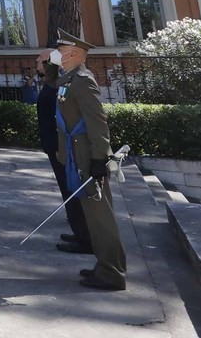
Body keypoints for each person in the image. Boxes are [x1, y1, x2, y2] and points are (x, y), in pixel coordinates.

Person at [51, 28, 127, 291]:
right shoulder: (69, 79)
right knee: (93, 216)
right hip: (76, 155)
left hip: (86, 156)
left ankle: (113, 273)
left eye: (59, 52)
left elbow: (97, 122)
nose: (55, 56)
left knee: (100, 216)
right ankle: (104, 265)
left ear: (71, 53)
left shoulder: (82, 80)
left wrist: (100, 158)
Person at [36, 48, 92, 255]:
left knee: (72, 191)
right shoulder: (52, 85)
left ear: (49, 63)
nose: (36, 61)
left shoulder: (59, 86)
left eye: (40, 59)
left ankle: (85, 238)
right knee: (68, 191)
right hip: (56, 147)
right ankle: (80, 233)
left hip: (63, 148)